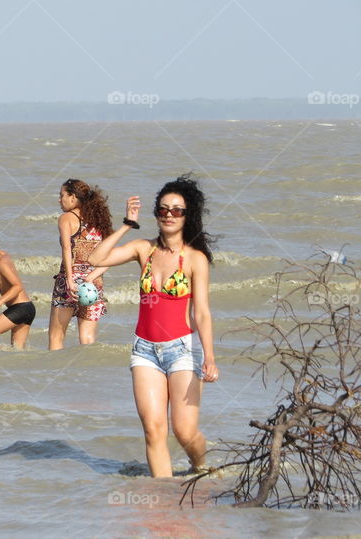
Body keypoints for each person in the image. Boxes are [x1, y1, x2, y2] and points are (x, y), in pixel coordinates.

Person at [87, 174, 220, 477]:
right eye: (163, 209)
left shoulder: (196, 259)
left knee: (184, 432)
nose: (169, 215)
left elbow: (202, 312)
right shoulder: (142, 249)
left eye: (177, 210)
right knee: (153, 430)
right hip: (144, 350)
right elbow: (96, 258)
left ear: (188, 216)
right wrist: (126, 225)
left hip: (183, 350)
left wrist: (209, 356)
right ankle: (163, 499)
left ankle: (203, 468)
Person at [49, 179, 113, 349]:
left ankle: (57, 374)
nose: (59, 200)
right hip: (93, 283)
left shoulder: (66, 218)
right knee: (87, 339)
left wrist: (70, 280)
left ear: (73, 197)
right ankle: (86, 374)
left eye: (62, 195)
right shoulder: (100, 220)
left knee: (56, 336)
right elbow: (111, 256)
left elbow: (67, 249)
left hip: (69, 283)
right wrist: (93, 277)